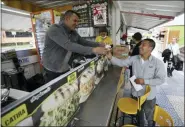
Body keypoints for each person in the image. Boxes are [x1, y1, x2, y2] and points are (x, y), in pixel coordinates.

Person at [106, 39, 166, 126]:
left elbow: (161, 79)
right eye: (140, 44)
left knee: (150, 118)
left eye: (143, 45)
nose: (140, 46)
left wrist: (145, 81)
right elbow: (121, 63)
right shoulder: (134, 58)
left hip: (149, 97)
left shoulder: (157, 63)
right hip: (136, 94)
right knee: (139, 116)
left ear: (150, 48)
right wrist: (110, 57)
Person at [42, 10, 107, 83]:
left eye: (78, 21)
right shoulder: (54, 29)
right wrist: (93, 50)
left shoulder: (73, 33)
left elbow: (84, 42)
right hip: (51, 69)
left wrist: (98, 44)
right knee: (53, 92)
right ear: (66, 18)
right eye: (75, 21)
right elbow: (68, 45)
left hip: (65, 67)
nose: (77, 24)